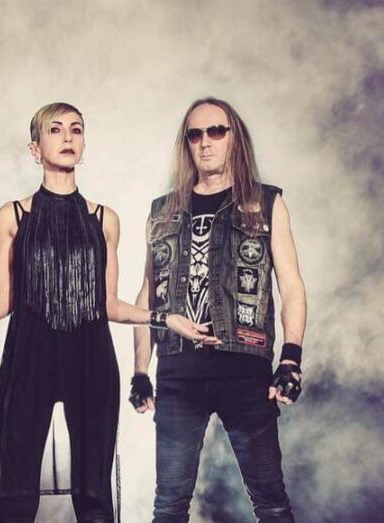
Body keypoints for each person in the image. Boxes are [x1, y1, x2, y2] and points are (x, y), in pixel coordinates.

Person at [0, 102, 195, 523]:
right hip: (28, 361)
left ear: (84, 144)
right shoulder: (13, 216)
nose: (67, 137)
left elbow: (108, 304)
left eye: (76, 129)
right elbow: (3, 300)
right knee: (17, 496)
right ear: (35, 148)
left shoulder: (105, 219)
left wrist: (162, 318)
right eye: (55, 130)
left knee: (94, 498)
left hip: (91, 363)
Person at [130, 97, 307, 523]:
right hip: (178, 372)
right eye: (195, 134)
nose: (205, 142)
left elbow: (292, 286)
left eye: (216, 131)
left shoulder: (266, 202)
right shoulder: (162, 211)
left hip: (244, 366)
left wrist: (291, 359)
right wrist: (139, 370)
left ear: (234, 138)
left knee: (270, 501)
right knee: (168, 505)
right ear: (186, 143)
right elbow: (147, 294)